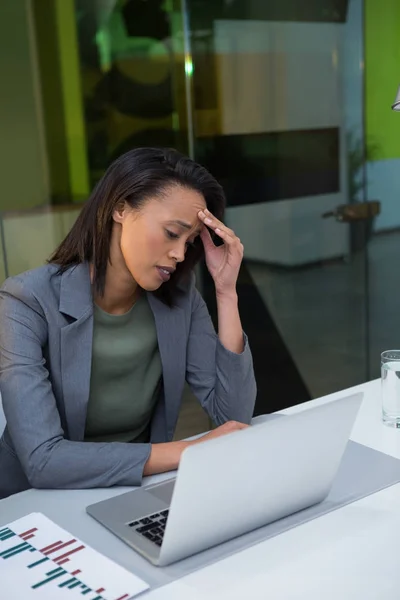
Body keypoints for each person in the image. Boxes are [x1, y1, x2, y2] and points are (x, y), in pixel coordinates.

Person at [0, 147, 257, 499]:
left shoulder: (179, 298)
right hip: (34, 504)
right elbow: (44, 460)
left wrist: (226, 293)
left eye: (190, 241)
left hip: (133, 489)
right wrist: (188, 451)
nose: (181, 254)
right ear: (120, 208)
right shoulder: (26, 300)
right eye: (171, 233)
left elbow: (234, 417)